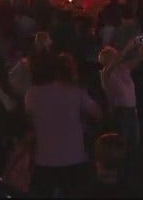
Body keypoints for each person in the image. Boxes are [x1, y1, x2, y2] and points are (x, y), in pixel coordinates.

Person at [25, 52, 100, 197]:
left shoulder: (32, 94)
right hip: (75, 157)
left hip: (44, 159)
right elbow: (96, 113)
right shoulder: (77, 91)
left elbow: (30, 122)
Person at [98, 36, 143, 192]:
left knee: (133, 146)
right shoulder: (106, 73)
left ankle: (129, 179)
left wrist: (142, 44)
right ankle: (120, 181)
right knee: (121, 148)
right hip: (121, 112)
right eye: (113, 54)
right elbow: (121, 59)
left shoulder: (122, 69)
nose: (117, 56)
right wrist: (130, 45)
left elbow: (138, 59)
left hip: (131, 111)